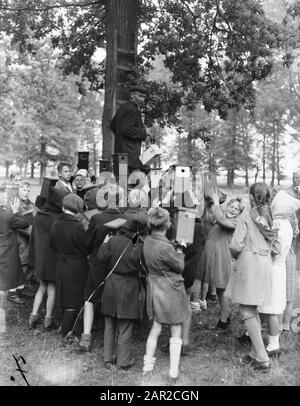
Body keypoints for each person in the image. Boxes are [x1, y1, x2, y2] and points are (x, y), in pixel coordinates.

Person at [225, 182, 275, 373]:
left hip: (250, 263)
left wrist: (237, 256)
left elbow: (236, 245)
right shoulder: (270, 216)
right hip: (265, 265)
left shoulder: (247, 215)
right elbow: (276, 246)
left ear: (252, 197)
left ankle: (262, 359)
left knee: (246, 310)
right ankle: (255, 353)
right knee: (254, 309)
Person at [76, 184, 127, 353]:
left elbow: (88, 243)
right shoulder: (126, 218)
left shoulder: (97, 219)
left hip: (98, 261)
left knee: (89, 297)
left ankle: (86, 336)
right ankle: (116, 339)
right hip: (117, 262)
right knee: (114, 298)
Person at [142, 207, 191, 381]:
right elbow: (179, 266)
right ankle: (173, 372)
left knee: (155, 328)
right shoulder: (166, 247)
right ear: (168, 225)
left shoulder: (147, 240)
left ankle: (147, 367)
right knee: (176, 329)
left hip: (155, 288)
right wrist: (179, 250)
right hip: (170, 290)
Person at [97, 215, 148, 370]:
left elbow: (101, 258)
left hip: (111, 284)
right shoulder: (139, 246)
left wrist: (104, 243)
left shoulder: (112, 240)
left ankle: (108, 359)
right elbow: (143, 267)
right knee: (125, 326)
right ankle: (123, 361)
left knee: (110, 323)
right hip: (129, 285)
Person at [258, 190, 299, 357]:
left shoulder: (278, 225)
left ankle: (273, 345)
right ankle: (270, 341)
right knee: (271, 306)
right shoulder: (287, 224)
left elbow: (275, 250)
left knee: (271, 309)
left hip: (273, 267)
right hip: (279, 268)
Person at [200, 192, 244, 329]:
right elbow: (210, 217)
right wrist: (211, 202)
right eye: (232, 206)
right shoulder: (222, 216)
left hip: (223, 258)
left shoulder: (235, 222)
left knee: (222, 289)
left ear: (239, 213)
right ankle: (226, 316)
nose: (233, 210)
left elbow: (221, 220)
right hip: (215, 256)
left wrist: (216, 203)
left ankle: (224, 320)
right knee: (219, 289)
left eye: (237, 209)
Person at [50, 194, 89, 341]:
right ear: (78, 209)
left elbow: (52, 245)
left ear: (63, 207)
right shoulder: (78, 227)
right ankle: (67, 333)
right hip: (76, 265)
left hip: (60, 263)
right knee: (74, 299)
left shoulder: (55, 223)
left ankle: (64, 326)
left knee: (63, 296)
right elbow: (86, 247)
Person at [28, 186, 68, 330]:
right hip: (53, 259)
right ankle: (48, 320)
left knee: (41, 287)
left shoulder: (39, 217)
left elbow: (33, 239)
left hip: (41, 259)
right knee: (52, 289)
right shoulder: (59, 219)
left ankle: (33, 317)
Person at [0, 185, 30, 326]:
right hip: (7, 247)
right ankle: (12, 293)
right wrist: (16, 211)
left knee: (14, 269)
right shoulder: (7, 214)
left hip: (3, 245)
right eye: (4, 197)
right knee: (10, 271)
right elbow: (24, 224)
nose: (6, 200)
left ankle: (17, 290)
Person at [110, 85, 153, 174]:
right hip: (130, 156)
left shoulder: (122, 108)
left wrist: (121, 139)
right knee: (128, 184)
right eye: (140, 96)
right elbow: (126, 129)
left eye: (144, 97)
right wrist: (144, 133)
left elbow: (113, 125)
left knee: (121, 183)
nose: (142, 99)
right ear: (132, 96)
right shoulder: (131, 110)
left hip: (120, 153)